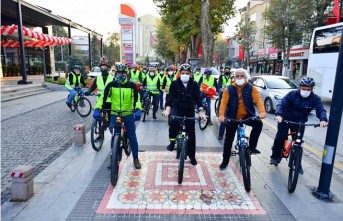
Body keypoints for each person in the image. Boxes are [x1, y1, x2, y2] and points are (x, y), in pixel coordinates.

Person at [270, 77, 328, 173]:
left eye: (308, 89)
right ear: (300, 87)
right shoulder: (292, 94)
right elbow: (281, 105)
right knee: (281, 137)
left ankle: (297, 164)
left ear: (312, 89)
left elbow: (320, 109)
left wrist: (323, 119)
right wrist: (279, 115)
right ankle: (275, 157)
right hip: (285, 119)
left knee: (298, 142)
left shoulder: (315, 98)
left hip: (300, 122)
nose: (305, 91)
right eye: (303, 89)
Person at [93, 64, 142, 169]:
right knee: (114, 136)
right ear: (115, 74)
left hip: (128, 114)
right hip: (115, 114)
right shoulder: (111, 85)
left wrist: (138, 109)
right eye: (119, 73)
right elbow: (102, 98)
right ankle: (113, 158)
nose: (121, 75)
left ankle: (136, 158)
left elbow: (136, 99)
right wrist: (97, 108)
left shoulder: (131, 85)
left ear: (126, 74)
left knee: (132, 136)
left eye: (123, 73)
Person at [218, 68, 266, 170]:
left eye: (242, 76)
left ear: (245, 77)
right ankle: (225, 161)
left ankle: (252, 147)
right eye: (237, 76)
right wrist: (221, 115)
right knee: (228, 141)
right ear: (234, 77)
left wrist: (262, 112)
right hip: (232, 117)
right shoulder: (229, 89)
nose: (240, 78)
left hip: (247, 116)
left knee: (258, 124)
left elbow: (258, 100)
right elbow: (223, 103)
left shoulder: (251, 88)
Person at [162, 63, 207, 166]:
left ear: (190, 74)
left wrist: (201, 111)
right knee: (174, 122)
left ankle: (192, 156)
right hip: (177, 108)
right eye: (183, 73)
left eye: (187, 73)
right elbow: (170, 97)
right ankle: (172, 142)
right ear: (180, 73)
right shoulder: (174, 83)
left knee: (191, 133)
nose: (185, 75)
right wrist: (167, 109)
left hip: (189, 109)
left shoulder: (194, 84)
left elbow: (198, 99)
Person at [217, 66, 232, 140]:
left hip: (230, 94)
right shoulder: (221, 76)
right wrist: (220, 88)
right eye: (225, 70)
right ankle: (220, 135)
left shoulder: (232, 77)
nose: (226, 71)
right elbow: (219, 83)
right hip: (223, 92)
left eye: (228, 70)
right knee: (224, 119)